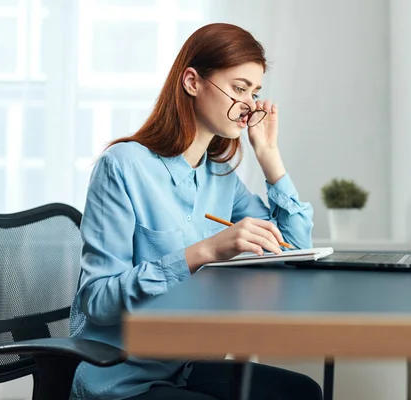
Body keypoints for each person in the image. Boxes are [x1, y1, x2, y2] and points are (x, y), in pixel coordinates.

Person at [68, 22, 321, 400]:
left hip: (183, 367)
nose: (249, 105)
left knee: (302, 392)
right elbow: (98, 301)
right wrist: (205, 251)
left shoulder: (218, 176)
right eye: (239, 88)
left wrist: (270, 157)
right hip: (119, 380)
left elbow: (294, 248)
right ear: (192, 82)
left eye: (254, 92)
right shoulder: (123, 165)